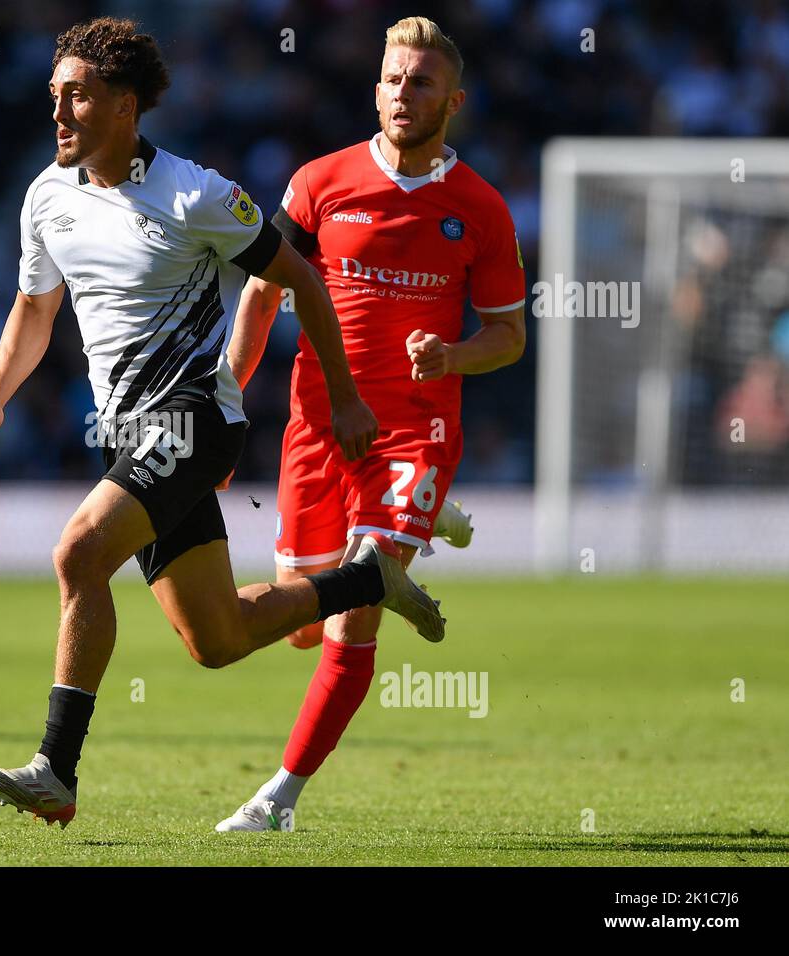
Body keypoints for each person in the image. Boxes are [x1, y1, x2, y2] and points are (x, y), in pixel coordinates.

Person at [0, 16, 444, 829]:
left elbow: (303, 281)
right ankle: (367, 578)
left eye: (75, 96)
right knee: (219, 639)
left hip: (193, 419)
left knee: (78, 552)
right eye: (54, 96)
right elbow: (36, 308)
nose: (58, 112)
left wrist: (347, 396)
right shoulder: (48, 195)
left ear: (123, 104)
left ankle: (56, 769)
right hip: (128, 433)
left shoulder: (196, 193)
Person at [216, 16, 526, 832]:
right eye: (392, 78)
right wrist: (227, 398)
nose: (401, 92)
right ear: (374, 87)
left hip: (414, 432)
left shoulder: (481, 209)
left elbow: (509, 334)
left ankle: (277, 799)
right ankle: (419, 538)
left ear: (452, 100)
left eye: (420, 82)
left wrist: (454, 358)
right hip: (318, 431)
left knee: (352, 613)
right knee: (296, 624)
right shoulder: (319, 182)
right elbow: (262, 293)